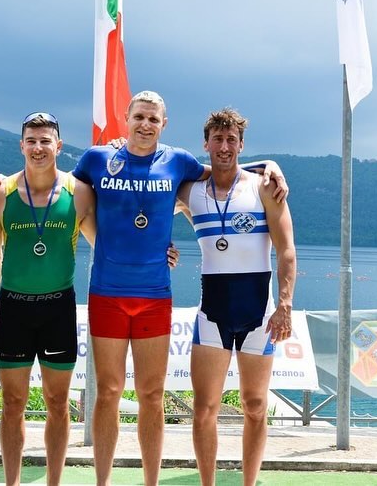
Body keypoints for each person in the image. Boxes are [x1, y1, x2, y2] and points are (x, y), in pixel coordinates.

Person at [72, 91, 288, 486]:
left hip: (159, 295)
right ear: (127, 117)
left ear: (164, 124)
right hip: (107, 292)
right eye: (139, 116)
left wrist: (268, 164)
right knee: (110, 392)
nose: (145, 124)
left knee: (155, 395)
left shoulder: (179, 163)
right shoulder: (97, 159)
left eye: (153, 119)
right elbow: (71, 199)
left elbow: (225, 170)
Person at [176, 108, 296, 486]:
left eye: (232, 140)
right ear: (206, 144)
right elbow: (151, 190)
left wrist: (285, 304)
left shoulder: (263, 187)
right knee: (204, 409)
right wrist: (160, 243)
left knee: (255, 407)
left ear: (242, 145)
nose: (224, 147)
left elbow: (287, 250)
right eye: (218, 140)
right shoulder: (191, 191)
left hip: (259, 315)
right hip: (212, 315)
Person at [0, 112, 96, 486]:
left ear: (58, 146)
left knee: (58, 404)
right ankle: (12, 483)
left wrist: (157, 250)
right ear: (21, 146)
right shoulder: (1, 192)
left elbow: (106, 242)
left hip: (58, 308)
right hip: (14, 308)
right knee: (13, 404)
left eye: (45, 141)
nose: (38, 148)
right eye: (31, 141)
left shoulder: (78, 191)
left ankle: (53, 482)